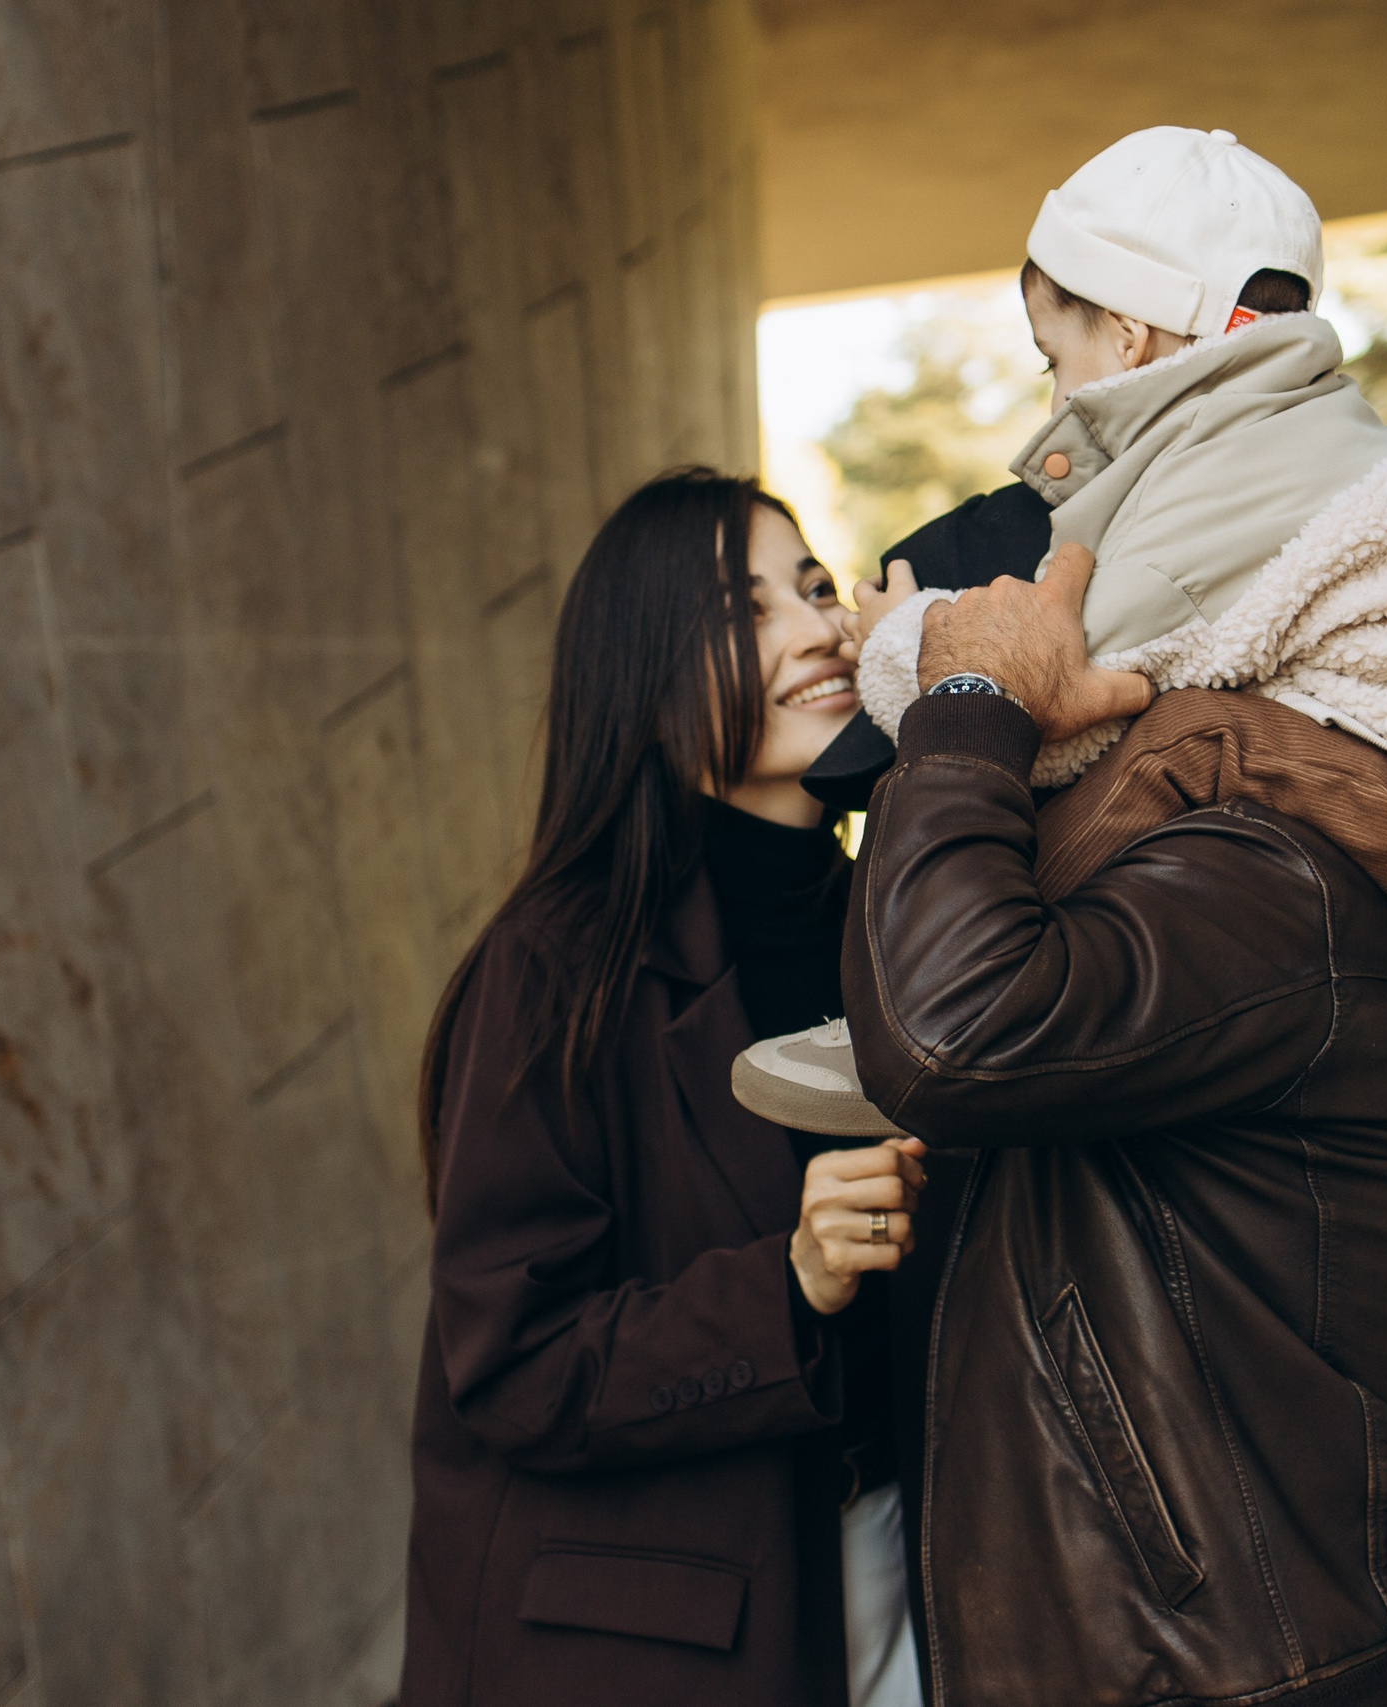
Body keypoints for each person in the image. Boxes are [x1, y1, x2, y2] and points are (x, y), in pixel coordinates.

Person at [737, 125, 1387, 1136]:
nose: (1054, 395)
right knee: (1195, 727)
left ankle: (934, 998)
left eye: (1053, 359)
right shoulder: (1290, 429)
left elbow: (1049, 683)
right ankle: (956, 983)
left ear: (1129, 336)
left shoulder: (1228, 476)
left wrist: (898, 639)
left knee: (1179, 737)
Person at [842, 550, 1387, 1707]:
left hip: (1218, 1654)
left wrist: (968, 713)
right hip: (1203, 1639)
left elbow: (949, 1033)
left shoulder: (1256, 877)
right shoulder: (1201, 870)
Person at [400, 470, 928, 1707]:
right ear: (643, 674)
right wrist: (784, 1286)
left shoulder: (902, 928)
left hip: (924, 1572)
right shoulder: (555, 972)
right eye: (744, 612)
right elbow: (511, 1362)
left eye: (811, 588)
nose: (813, 629)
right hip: (672, 1634)